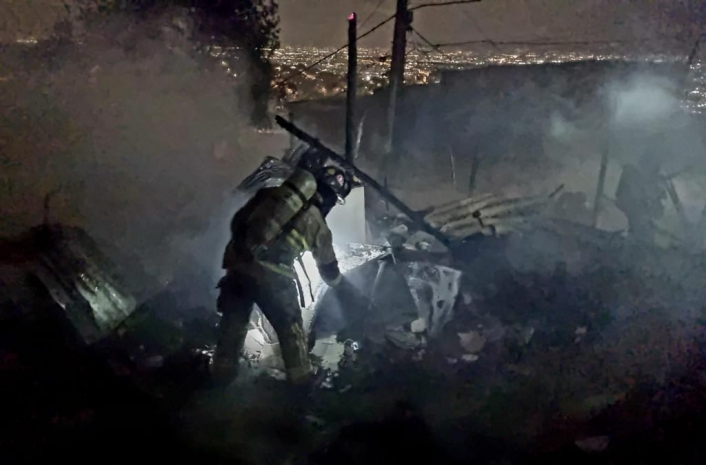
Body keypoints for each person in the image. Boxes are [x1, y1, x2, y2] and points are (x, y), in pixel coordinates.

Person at [211, 165, 351, 389]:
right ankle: (301, 384)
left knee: (233, 324)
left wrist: (244, 251)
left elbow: (238, 221)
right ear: (331, 199)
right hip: (273, 277)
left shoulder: (270, 194)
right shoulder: (318, 223)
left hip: (239, 267)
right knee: (291, 330)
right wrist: (344, 288)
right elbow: (328, 270)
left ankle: (220, 376)